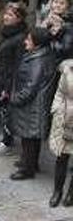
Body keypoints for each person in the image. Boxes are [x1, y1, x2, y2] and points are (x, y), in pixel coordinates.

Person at [8, 27, 56, 180]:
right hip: (36, 103)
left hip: (33, 105)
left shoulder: (38, 61)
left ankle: (27, 169)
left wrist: (15, 99)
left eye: (29, 39)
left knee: (28, 138)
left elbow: (31, 87)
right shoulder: (41, 55)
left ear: (37, 43)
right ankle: (30, 163)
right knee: (31, 137)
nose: (25, 41)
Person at [0, 3, 28, 158]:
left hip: (8, 81)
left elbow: (17, 65)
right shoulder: (7, 32)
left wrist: (8, 87)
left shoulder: (20, 38)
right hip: (0, 77)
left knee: (7, 111)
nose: (5, 17)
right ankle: (4, 135)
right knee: (2, 108)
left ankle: (7, 142)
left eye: (10, 15)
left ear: (19, 19)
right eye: (6, 14)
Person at [48, 60, 73, 206]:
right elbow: (59, 92)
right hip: (64, 119)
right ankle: (57, 191)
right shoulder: (67, 68)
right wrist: (56, 109)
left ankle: (71, 193)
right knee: (61, 157)